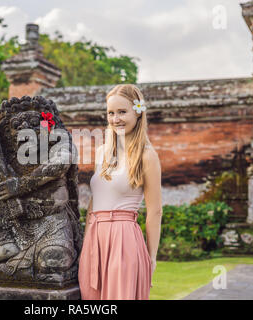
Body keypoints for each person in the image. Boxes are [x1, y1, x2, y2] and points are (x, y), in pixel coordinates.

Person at [78, 84, 163, 300]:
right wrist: (86, 241)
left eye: (122, 112)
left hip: (124, 239)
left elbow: (155, 211)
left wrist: (151, 257)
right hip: (94, 238)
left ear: (138, 111)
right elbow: (94, 202)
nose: (116, 119)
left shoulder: (147, 156)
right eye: (111, 113)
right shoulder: (101, 153)